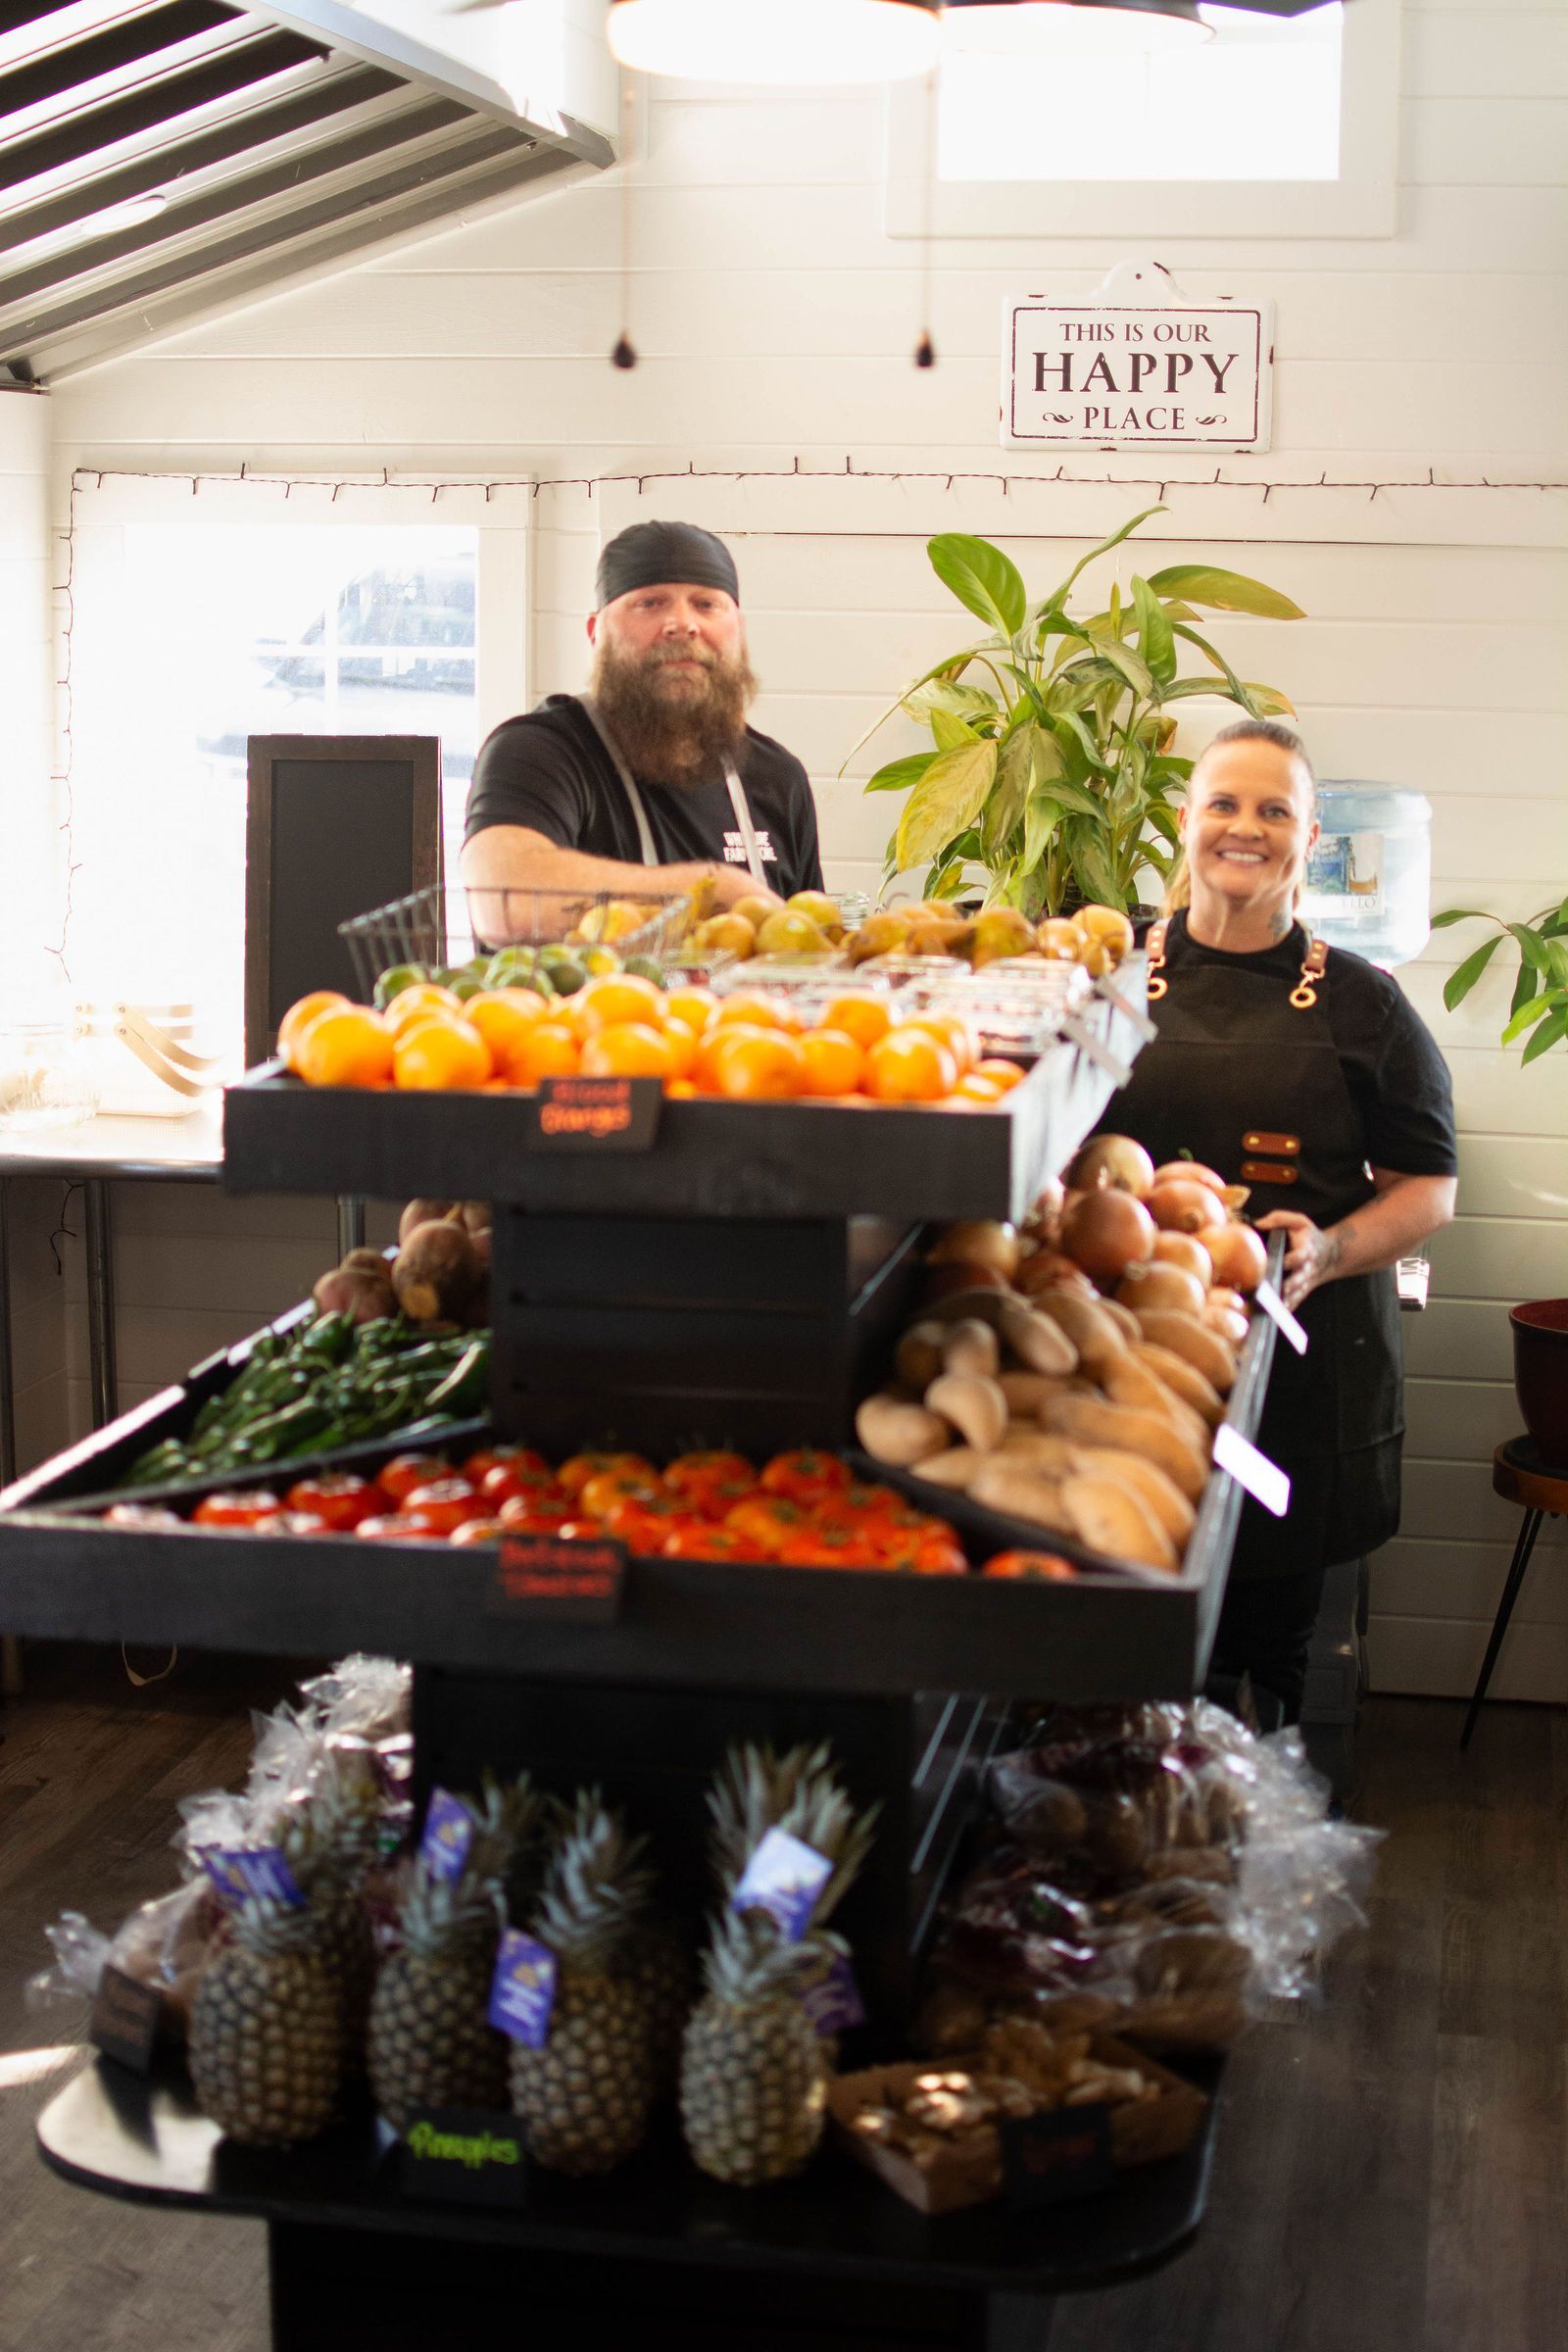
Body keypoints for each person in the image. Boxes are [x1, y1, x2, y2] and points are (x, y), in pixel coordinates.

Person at [1098, 718, 1458, 1725]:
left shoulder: (1361, 1005)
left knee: (1272, 1661)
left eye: (1272, 811)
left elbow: (1430, 1186)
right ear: (1184, 820)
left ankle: (1272, 1850)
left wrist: (1332, 1248)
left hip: (1301, 1376)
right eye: (1222, 803)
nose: (1242, 828)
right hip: (1126, 1361)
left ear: (1306, 838)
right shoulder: (1110, 972)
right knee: (1136, 1650)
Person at [461, 519, 823, 915]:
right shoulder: (537, 752)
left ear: (739, 629)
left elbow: (808, 953)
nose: (683, 624)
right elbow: (501, 902)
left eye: (706, 604)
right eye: (650, 603)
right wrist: (712, 890)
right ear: (595, 632)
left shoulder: (778, 778)